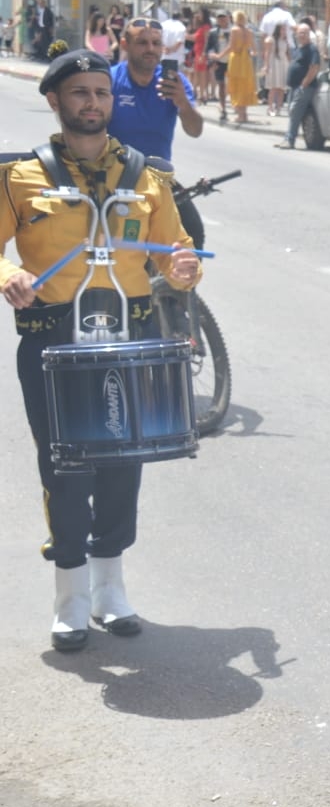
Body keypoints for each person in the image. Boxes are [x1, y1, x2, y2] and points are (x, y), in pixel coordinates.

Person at [1, 49, 201, 652]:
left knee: (124, 465)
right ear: (56, 101)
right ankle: (70, 597)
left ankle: (111, 591)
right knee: (65, 469)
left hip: (127, 337)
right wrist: (7, 274)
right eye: (81, 94)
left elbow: (177, 251)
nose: (93, 104)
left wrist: (186, 267)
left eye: (101, 93)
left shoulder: (146, 176)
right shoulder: (19, 177)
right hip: (51, 339)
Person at [109, 16, 206, 247]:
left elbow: (195, 130)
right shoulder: (109, 80)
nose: (150, 49)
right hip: (114, 179)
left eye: (156, 43)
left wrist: (182, 102)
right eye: (142, 43)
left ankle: (180, 283)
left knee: (193, 237)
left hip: (158, 180)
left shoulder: (175, 82)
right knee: (122, 244)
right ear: (125, 45)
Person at [275, 23, 322, 150]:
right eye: (300, 33)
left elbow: (315, 67)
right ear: (296, 34)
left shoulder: (312, 49)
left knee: (295, 111)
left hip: (304, 88)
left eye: (305, 33)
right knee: (292, 112)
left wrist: (304, 84)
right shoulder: (299, 49)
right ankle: (287, 138)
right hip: (293, 87)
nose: (302, 35)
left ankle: (290, 140)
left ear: (309, 35)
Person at [225, 10, 258, 124]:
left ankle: (240, 115)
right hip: (246, 61)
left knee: (236, 85)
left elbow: (232, 47)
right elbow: (254, 50)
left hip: (236, 60)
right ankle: (244, 114)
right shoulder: (249, 31)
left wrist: (219, 55)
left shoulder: (234, 30)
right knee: (245, 87)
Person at [207, 11, 231, 122]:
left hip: (232, 60)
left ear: (228, 18)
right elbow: (209, 47)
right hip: (219, 60)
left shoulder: (234, 31)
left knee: (232, 84)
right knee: (221, 84)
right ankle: (223, 106)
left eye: (223, 17)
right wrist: (211, 56)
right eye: (219, 18)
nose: (221, 20)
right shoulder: (213, 32)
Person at [263, 22, 289, 116]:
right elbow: (267, 52)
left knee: (282, 88)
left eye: (285, 29)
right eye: (282, 29)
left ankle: (278, 108)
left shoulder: (285, 41)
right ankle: (270, 108)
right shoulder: (271, 40)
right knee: (273, 87)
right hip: (274, 64)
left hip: (283, 64)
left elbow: (287, 54)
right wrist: (266, 65)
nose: (284, 31)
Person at [190, 7, 214, 103]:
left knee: (202, 74)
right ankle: (196, 92)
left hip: (201, 52)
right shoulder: (200, 26)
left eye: (199, 13)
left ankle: (202, 94)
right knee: (196, 73)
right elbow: (194, 37)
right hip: (197, 52)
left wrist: (203, 54)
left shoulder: (206, 27)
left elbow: (207, 41)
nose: (198, 15)